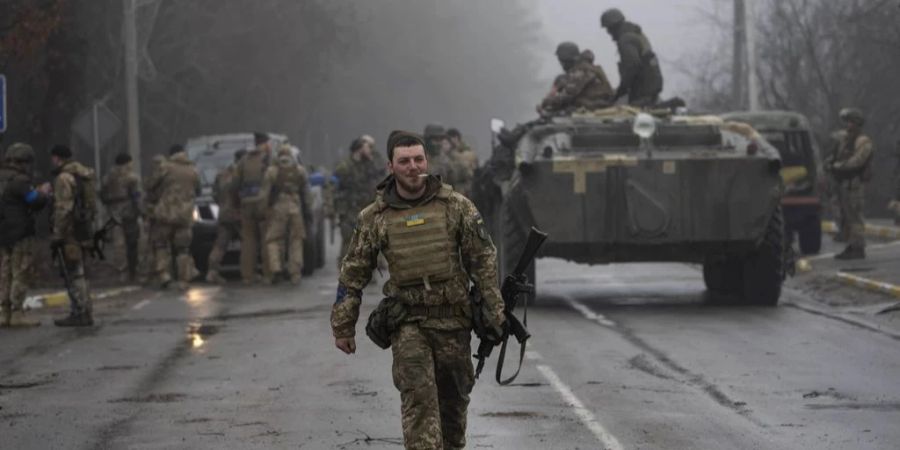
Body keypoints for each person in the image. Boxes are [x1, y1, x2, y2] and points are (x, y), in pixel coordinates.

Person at [331, 130, 506, 450]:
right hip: (408, 325)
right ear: (391, 166)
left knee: (453, 410)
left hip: (454, 322)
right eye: (404, 161)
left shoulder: (456, 207)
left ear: (426, 161)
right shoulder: (375, 218)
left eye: (418, 159)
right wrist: (343, 325)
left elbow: (483, 261)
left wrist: (495, 312)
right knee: (420, 405)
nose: (412, 166)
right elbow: (352, 273)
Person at [0, 143, 51, 327]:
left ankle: (4, 312)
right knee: (20, 272)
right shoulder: (20, 181)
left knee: (5, 273)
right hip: (20, 234)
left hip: (3, 234)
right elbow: (33, 201)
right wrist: (43, 193)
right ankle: (17, 312)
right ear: (25, 162)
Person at [49, 145, 96, 327]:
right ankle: (85, 310)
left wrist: (57, 234)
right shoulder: (84, 175)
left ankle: (80, 312)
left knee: (74, 273)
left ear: (57, 158)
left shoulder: (63, 178)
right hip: (84, 228)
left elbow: (64, 209)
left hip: (70, 232)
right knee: (82, 272)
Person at [145, 145, 201, 289]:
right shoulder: (193, 170)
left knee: (161, 244)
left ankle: (164, 275)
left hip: (165, 213)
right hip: (185, 215)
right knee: (183, 248)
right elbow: (198, 190)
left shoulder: (165, 168)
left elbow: (150, 185)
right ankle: (184, 279)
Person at [261, 145, 312, 284]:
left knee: (273, 239)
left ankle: (276, 268)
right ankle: (295, 273)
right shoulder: (299, 170)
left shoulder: (272, 171)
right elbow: (307, 193)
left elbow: (264, 194)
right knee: (296, 240)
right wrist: (308, 210)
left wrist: (264, 210)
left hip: (278, 207)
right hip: (295, 207)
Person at [828, 108, 874, 260]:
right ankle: (851, 245)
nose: (847, 125)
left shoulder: (863, 141)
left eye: (850, 122)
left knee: (854, 218)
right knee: (845, 218)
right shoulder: (846, 139)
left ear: (857, 123)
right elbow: (835, 155)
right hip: (843, 184)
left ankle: (858, 247)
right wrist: (830, 164)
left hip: (854, 185)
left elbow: (858, 161)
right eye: (847, 122)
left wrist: (839, 166)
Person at [600, 8, 664, 106]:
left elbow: (632, 66)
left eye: (608, 29)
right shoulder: (636, 35)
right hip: (651, 87)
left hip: (642, 89)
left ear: (613, 27)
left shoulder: (626, 39)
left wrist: (621, 89)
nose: (608, 33)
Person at [233, 132, 273, 283]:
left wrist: (237, 203)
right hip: (263, 203)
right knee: (266, 239)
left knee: (248, 240)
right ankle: (268, 274)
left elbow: (235, 184)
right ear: (265, 143)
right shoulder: (269, 159)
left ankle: (247, 276)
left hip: (246, 203)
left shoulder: (244, 160)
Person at [333, 137, 380, 267]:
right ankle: (344, 270)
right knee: (348, 240)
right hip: (349, 209)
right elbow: (334, 186)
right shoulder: (345, 166)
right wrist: (333, 209)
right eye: (366, 147)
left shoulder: (368, 164)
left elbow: (377, 177)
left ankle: (367, 271)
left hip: (366, 207)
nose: (369, 150)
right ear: (359, 149)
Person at [539, 41, 614, 115]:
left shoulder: (583, 70)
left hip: (596, 106)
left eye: (562, 61)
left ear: (568, 59)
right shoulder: (586, 68)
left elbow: (568, 94)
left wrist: (545, 103)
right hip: (596, 105)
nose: (561, 64)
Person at [100, 152, 142, 282]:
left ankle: (121, 273)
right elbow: (136, 197)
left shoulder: (107, 178)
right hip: (129, 213)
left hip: (113, 214)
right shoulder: (132, 177)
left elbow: (101, 194)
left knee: (118, 244)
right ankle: (133, 272)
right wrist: (141, 211)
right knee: (132, 242)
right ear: (127, 162)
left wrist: (108, 205)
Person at [206, 149, 245, 284]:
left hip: (224, 213)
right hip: (240, 214)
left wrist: (223, 205)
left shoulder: (221, 174)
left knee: (220, 245)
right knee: (248, 243)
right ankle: (248, 272)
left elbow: (215, 194)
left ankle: (212, 272)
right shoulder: (242, 173)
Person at [447, 128, 479, 198]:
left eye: (449, 139)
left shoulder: (467, 154)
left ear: (456, 138)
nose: (448, 142)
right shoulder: (469, 151)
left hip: (463, 189)